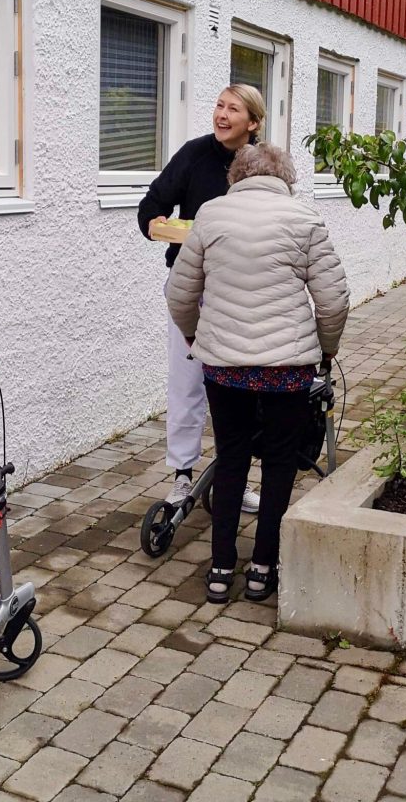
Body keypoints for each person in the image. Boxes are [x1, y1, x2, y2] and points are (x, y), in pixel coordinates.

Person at [166, 143, 349, 604]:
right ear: (285, 178)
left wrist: (194, 337)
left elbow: (179, 294)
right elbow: (333, 301)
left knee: (231, 460)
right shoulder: (304, 219)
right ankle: (263, 568)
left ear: (237, 176)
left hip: (224, 369)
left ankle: (220, 569)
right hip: (287, 369)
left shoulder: (209, 216)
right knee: (281, 462)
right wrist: (325, 353)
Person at [138, 85, 264, 512]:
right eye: (219, 106)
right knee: (187, 383)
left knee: (240, 389)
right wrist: (156, 222)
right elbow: (151, 206)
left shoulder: (262, 166)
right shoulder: (194, 154)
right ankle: (182, 476)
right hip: (190, 287)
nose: (222, 115)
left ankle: (236, 478)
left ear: (254, 122)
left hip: (242, 291)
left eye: (234, 109)